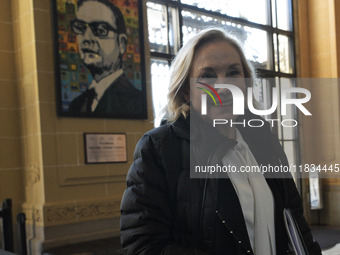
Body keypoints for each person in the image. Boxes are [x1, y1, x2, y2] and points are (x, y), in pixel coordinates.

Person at [120, 28, 322, 255]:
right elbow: (143, 246)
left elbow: (296, 223)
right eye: (207, 75)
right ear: (186, 90)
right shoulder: (159, 149)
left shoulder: (264, 140)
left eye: (233, 73)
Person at [68, 0, 143, 118]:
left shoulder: (135, 101)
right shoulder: (76, 104)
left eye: (100, 30)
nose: (87, 38)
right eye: (81, 28)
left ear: (121, 43)